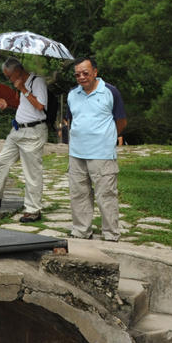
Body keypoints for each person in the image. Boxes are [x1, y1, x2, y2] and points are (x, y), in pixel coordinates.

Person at [0, 57, 50, 222]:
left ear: (17, 71)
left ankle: (33, 209)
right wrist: (8, 104)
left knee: (32, 172)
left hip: (33, 132)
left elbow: (40, 106)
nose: (8, 80)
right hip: (17, 130)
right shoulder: (20, 84)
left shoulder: (37, 82)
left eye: (9, 76)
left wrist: (23, 89)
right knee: (2, 162)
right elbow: (26, 106)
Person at [65, 57, 127, 242]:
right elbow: (70, 119)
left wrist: (107, 138)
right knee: (79, 194)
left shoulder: (110, 91)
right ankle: (81, 230)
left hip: (102, 153)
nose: (81, 77)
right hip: (76, 153)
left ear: (95, 72)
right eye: (77, 75)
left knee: (106, 195)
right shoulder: (72, 94)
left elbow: (121, 121)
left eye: (85, 73)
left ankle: (111, 233)